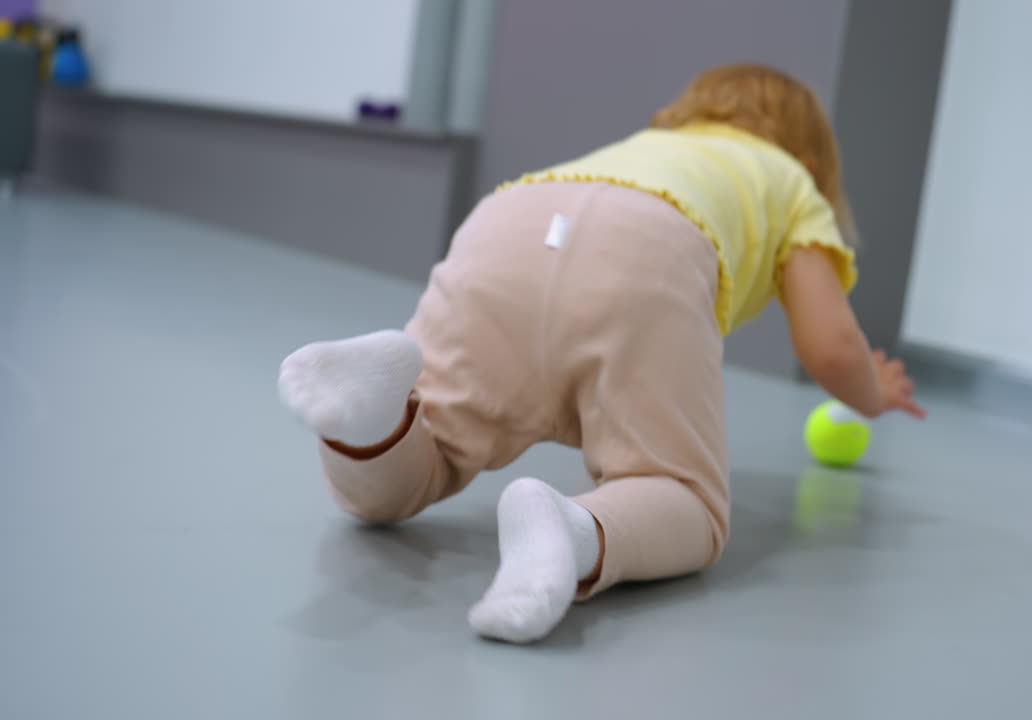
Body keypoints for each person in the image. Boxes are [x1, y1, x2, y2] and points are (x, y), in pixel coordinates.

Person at [277, 63, 926, 644]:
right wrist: (873, 391)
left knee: (417, 465)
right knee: (685, 500)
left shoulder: (657, 144)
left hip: (507, 223)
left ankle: (377, 418)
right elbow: (831, 348)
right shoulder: (793, 179)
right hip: (649, 249)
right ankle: (571, 529)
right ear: (810, 159)